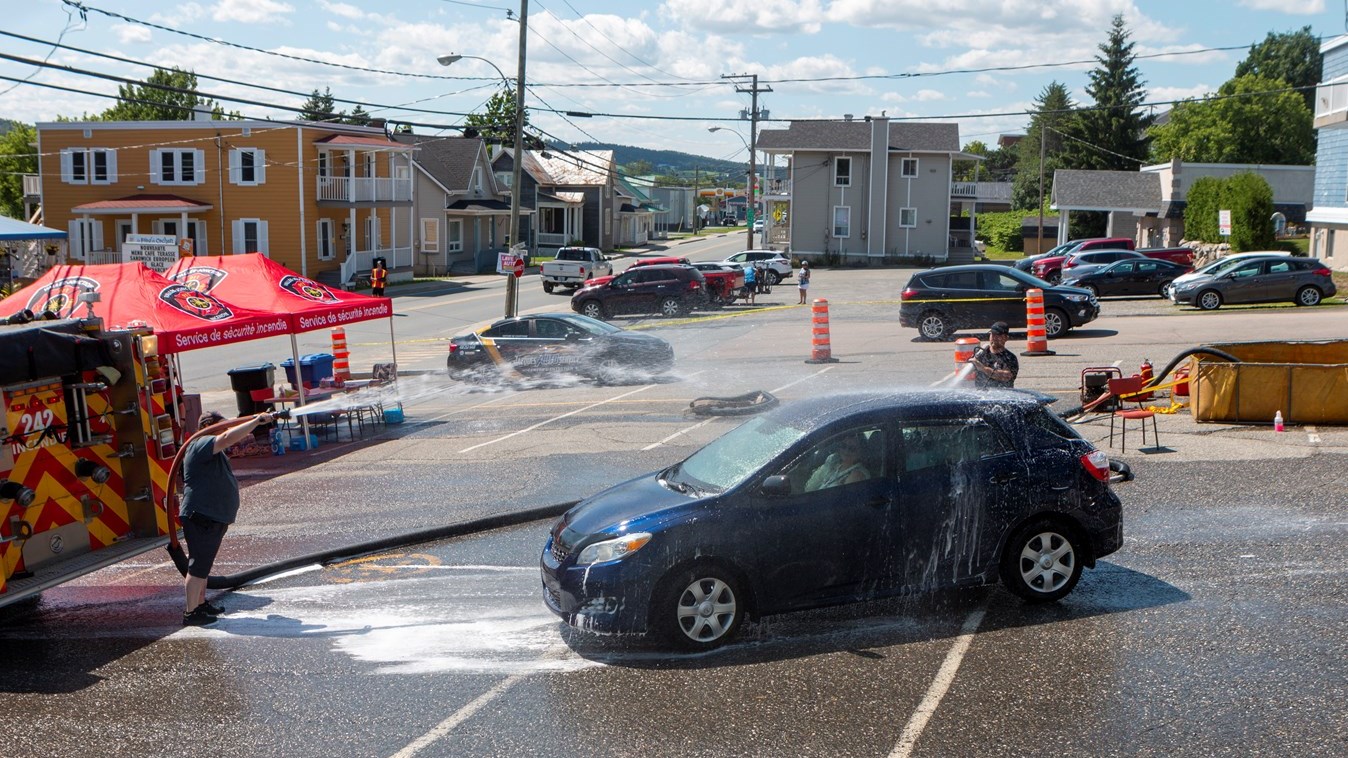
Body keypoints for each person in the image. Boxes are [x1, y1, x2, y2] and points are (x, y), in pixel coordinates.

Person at [180, 410, 273, 626]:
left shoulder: (211, 449)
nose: (227, 430)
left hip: (211, 516)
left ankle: (200, 605)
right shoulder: (201, 442)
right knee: (197, 567)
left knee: (203, 566)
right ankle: (190, 613)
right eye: (223, 426)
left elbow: (227, 438)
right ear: (209, 426)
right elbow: (226, 438)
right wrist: (255, 421)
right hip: (201, 515)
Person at [804, 435, 872, 492]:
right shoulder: (833, 461)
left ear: (860, 452)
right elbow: (810, 488)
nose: (846, 451)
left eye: (852, 449)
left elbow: (839, 502)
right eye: (843, 446)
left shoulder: (857, 474)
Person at [971, 321, 1020, 389]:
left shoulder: (1010, 358)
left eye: (998, 335)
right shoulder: (980, 353)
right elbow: (964, 371)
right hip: (981, 395)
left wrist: (983, 368)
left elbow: (1006, 377)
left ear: (1006, 338)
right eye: (992, 334)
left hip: (1001, 395)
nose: (994, 337)